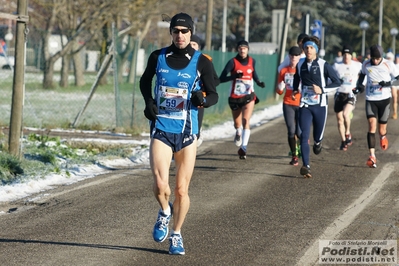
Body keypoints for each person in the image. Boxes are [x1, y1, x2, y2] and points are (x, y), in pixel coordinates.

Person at [139, 12, 218, 255]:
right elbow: (145, 81)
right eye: (176, 31)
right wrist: (149, 101)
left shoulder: (202, 61)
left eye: (184, 31)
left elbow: (213, 95)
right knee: (161, 184)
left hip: (186, 133)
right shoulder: (158, 56)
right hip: (162, 127)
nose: (180, 35)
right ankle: (164, 211)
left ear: (191, 33)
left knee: (182, 190)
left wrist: (201, 98)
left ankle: (176, 234)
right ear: (171, 33)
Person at [292, 36, 341, 178]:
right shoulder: (300, 63)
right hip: (305, 104)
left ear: (316, 50)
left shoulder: (323, 64)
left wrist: (322, 89)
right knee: (303, 136)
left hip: (320, 105)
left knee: (317, 137)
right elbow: (296, 77)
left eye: (311, 47)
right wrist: (296, 89)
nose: (308, 50)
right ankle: (306, 166)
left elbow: (337, 82)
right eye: (306, 47)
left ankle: (318, 142)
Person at [219, 40, 265, 159]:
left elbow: (253, 73)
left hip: (248, 96)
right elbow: (222, 78)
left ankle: (243, 148)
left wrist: (258, 82)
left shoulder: (252, 61)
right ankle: (238, 132)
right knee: (237, 123)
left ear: (248, 49)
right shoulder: (232, 62)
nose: (242, 50)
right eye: (240, 48)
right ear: (237, 49)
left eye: (244, 48)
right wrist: (235, 76)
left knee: (246, 119)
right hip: (234, 97)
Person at [355, 45, 399, 168]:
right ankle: (372, 156)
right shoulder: (366, 64)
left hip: (384, 100)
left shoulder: (388, 64)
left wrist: (388, 83)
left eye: (377, 58)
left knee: (381, 129)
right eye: (373, 58)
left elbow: (398, 79)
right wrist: (360, 86)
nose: (375, 61)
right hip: (371, 99)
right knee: (372, 126)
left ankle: (383, 136)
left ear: (381, 57)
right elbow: (362, 76)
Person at [190, 35, 220, 147]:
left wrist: (204, 86)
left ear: (198, 47)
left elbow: (215, 80)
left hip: (199, 99)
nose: (192, 47)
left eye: (194, 44)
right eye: (190, 44)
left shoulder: (204, 60)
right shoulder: (180, 60)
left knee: (195, 133)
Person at [332, 45, 363, 151]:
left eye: (348, 54)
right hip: (339, 94)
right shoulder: (336, 66)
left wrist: (360, 86)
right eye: (344, 54)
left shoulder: (358, 65)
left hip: (350, 94)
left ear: (351, 55)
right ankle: (343, 141)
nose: (346, 56)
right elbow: (330, 78)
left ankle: (348, 132)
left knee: (346, 115)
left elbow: (365, 75)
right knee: (340, 120)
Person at [276, 46, 302, 166]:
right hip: (288, 103)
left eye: (296, 56)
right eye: (291, 56)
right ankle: (294, 155)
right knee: (291, 131)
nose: (293, 58)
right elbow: (279, 90)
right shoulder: (284, 71)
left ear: (299, 57)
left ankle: (302, 148)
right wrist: (280, 88)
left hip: (301, 103)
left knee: (300, 132)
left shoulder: (302, 70)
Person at [386, 52, 398, 119]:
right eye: (396, 58)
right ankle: (395, 113)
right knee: (394, 97)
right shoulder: (392, 65)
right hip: (394, 82)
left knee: (397, 98)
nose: (397, 59)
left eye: (398, 58)